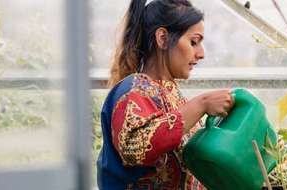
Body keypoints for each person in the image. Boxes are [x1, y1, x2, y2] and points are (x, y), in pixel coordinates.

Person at [97, 0, 234, 189]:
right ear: (162, 38)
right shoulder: (131, 91)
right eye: (193, 41)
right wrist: (201, 104)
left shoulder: (173, 95)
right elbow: (135, 147)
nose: (201, 53)